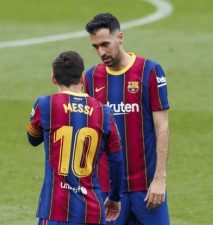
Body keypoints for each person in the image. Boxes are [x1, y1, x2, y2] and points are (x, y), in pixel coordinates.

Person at [84, 13, 170, 225]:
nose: (101, 52)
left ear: (120, 37)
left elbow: (162, 127)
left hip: (148, 189)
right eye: (95, 47)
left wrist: (160, 179)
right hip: (108, 191)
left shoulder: (149, 71)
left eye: (105, 44)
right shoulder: (90, 78)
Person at [27, 51, 124, 225]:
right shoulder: (104, 112)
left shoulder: (45, 104)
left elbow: (32, 138)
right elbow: (116, 160)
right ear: (82, 77)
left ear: (53, 78)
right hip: (92, 211)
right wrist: (115, 197)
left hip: (55, 209)